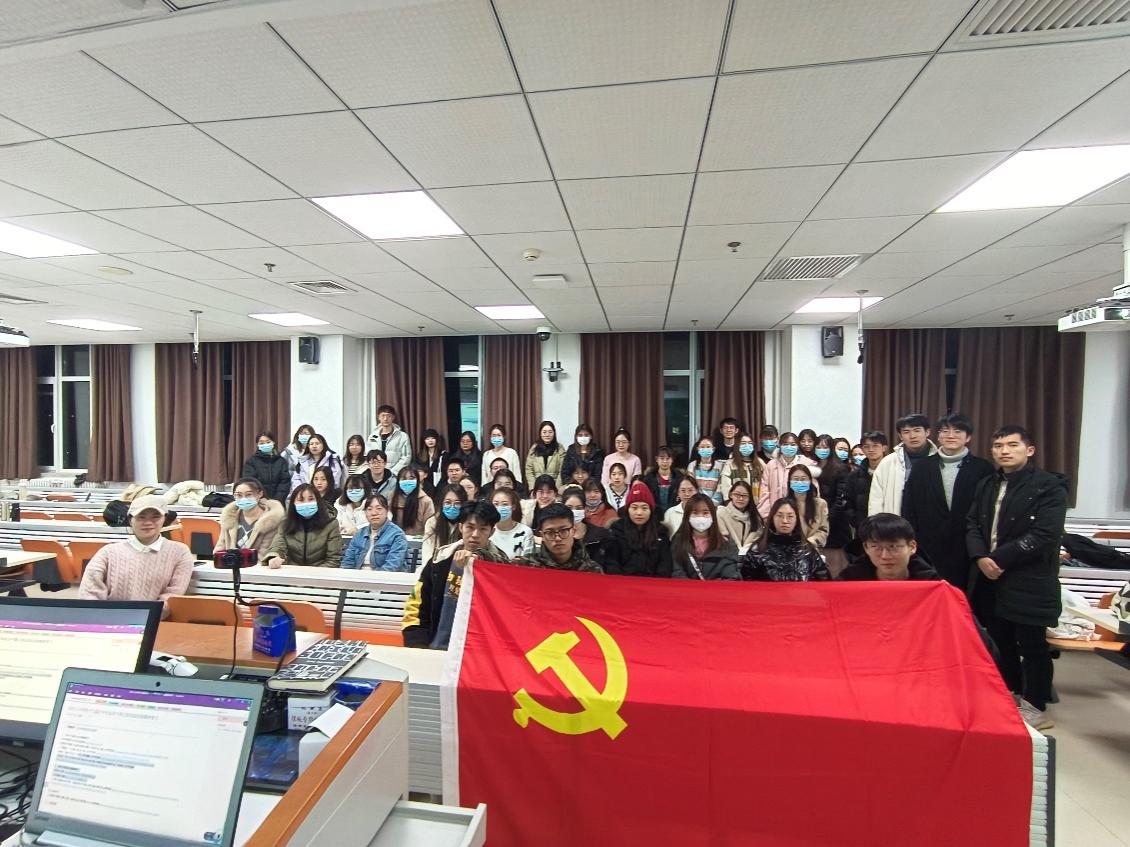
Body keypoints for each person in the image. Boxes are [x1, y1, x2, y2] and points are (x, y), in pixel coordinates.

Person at [967, 425, 1067, 730]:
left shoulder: (1049, 487)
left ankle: (1036, 705)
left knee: (1033, 645)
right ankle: (1010, 695)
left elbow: (1044, 534)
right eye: (998, 446)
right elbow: (972, 523)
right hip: (990, 576)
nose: (1004, 451)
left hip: (1029, 578)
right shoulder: (988, 483)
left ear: (1029, 450)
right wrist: (979, 556)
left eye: (1012, 445)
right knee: (1001, 642)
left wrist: (998, 559)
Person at [902, 413, 994, 588]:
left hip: (969, 545)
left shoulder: (983, 468)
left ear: (968, 437)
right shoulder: (922, 467)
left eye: (958, 431)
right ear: (938, 436)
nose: (951, 436)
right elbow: (909, 506)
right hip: (929, 544)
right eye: (945, 431)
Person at [403, 501, 509, 649]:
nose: (475, 535)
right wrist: (417, 644)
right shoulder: (440, 559)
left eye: (483, 529)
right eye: (470, 527)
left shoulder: (502, 566)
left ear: (492, 532)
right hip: (436, 646)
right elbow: (415, 607)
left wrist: (480, 558)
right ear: (460, 527)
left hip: (482, 650)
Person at [78, 495, 193, 610]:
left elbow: (172, 595)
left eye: (156, 517)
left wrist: (145, 617)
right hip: (109, 618)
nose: (148, 522)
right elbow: (89, 592)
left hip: (155, 619)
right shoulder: (108, 552)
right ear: (130, 520)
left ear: (164, 519)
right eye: (141, 517)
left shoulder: (180, 552)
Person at [740, 499, 830, 582]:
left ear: (796, 520)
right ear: (772, 518)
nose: (785, 521)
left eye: (790, 516)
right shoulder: (757, 550)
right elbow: (747, 585)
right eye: (780, 516)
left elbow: (823, 582)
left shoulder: (808, 550)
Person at [868, 413, 937, 516]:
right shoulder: (888, 462)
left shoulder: (939, 460)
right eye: (906, 432)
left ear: (927, 432)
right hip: (897, 520)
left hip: (930, 519)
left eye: (917, 430)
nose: (912, 436)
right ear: (900, 436)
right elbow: (875, 500)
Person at [601, 482, 673, 578]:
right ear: (628, 510)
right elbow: (612, 562)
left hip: (653, 583)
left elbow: (665, 565)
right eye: (634, 508)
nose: (639, 513)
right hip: (622, 582)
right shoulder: (617, 530)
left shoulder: (661, 532)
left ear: (651, 510)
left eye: (644, 508)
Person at [841, 513, 940, 581]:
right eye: (876, 547)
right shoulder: (849, 581)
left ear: (912, 547)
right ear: (866, 547)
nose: (885, 556)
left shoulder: (932, 583)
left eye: (893, 547)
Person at [263, 484, 342, 568]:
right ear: (293, 503)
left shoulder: (331, 523)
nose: (306, 503)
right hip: (292, 571)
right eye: (300, 500)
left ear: (318, 501)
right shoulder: (285, 523)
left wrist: (313, 574)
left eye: (311, 499)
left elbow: (333, 559)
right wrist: (274, 557)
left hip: (321, 572)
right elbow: (277, 547)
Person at [513, 504, 603, 572]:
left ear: (573, 531)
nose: (558, 538)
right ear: (542, 535)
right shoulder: (526, 567)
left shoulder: (592, 570)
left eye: (563, 531)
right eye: (550, 533)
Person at [215, 478, 286, 562]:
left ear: (260, 494)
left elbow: (264, 554)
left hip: (257, 567)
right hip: (230, 566)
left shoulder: (271, 520)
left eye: (249, 495)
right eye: (239, 495)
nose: (243, 499)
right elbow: (220, 547)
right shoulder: (229, 517)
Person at [670, 494, 739, 580]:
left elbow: (730, 576)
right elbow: (677, 572)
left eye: (705, 513)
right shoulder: (678, 542)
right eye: (695, 513)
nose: (700, 517)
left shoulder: (726, 544)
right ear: (687, 516)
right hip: (686, 588)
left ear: (713, 516)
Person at [342, 494, 409, 571]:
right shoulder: (359, 534)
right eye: (369, 509)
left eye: (379, 508)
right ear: (365, 513)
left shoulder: (397, 534)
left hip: (385, 576)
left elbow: (392, 566)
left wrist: (373, 577)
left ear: (387, 511)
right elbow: (348, 562)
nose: (374, 513)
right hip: (358, 576)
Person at [815, 433, 852, 573]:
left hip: (835, 522)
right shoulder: (812, 467)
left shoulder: (840, 468)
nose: (822, 450)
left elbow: (841, 499)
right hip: (816, 521)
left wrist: (827, 518)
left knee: (835, 565)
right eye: (818, 447)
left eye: (825, 447)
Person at [844, 431, 889, 532]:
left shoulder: (893, 472)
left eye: (875, 446)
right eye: (866, 446)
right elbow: (848, 502)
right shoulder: (854, 476)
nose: (871, 449)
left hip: (889, 526)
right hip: (863, 527)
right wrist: (856, 521)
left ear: (884, 448)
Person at [719, 431, 769, 516]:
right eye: (743, 443)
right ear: (737, 445)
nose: (747, 446)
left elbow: (766, 485)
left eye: (750, 443)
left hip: (757, 507)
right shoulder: (730, 464)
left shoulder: (760, 463)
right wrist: (730, 504)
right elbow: (725, 486)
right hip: (736, 507)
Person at [764, 431, 817, 503]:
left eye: (793, 444)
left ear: (798, 446)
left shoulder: (807, 464)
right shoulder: (771, 465)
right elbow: (764, 490)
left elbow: (814, 490)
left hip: (801, 507)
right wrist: (767, 510)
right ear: (779, 445)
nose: (789, 447)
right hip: (774, 507)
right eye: (785, 444)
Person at [421, 484, 468, 566]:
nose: (452, 507)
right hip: (434, 567)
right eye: (448, 502)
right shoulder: (432, 522)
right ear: (442, 504)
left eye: (457, 503)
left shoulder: (468, 523)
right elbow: (427, 553)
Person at [561, 486, 610, 563]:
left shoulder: (601, 535)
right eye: (569, 507)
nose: (574, 512)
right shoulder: (558, 536)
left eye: (579, 508)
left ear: (584, 509)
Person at [240, 430, 290, 502]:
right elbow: (249, 481)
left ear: (273, 442)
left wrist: (277, 500)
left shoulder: (281, 461)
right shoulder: (251, 461)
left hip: (278, 502)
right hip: (258, 500)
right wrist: (260, 497)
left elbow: (285, 482)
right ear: (257, 445)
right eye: (262, 443)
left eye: (268, 442)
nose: (265, 444)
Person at [787, 465, 829, 548]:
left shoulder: (820, 504)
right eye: (795, 479)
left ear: (810, 481)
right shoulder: (784, 505)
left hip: (812, 548)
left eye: (803, 479)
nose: (799, 482)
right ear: (790, 482)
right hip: (789, 548)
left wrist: (810, 542)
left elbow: (823, 530)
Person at [716, 480, 762, 551]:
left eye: (745, 496)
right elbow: (723, 538)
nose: (741, 498)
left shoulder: (755, 517)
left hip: (749, 554)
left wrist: (745, 550)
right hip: (728, 554)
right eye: (737, 494)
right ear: (731, 495)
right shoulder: (721, 513)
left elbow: (757, 538)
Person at [641, 446, 687, 514]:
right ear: (657, 459)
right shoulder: (649, 478)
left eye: (668, 458)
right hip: (654, 513)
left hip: (675, 512)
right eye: (662, 458)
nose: (665, 461)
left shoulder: (679, 477)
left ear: (672, 460)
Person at [368, 404, 412, 475]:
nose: (385, 419)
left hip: (395, 475)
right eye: (383, 416)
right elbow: (368, 455)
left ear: (393, 417)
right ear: (378, 417)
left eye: (389, 416)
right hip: (376, 474)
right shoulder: (372, 436)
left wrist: (392, 473)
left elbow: (406, 457)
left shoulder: (402, 436)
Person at [490, 487, 535, 558]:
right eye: (496, 504)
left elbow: (528, 560)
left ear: (513, 507)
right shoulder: (487, 530)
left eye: (505, 504)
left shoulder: (526, 532)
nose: (499, 508)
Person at [390, 466, 435, 535]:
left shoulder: (426, 501)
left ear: (417, 480)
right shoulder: (392, 497)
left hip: (418, 538)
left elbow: (430, 526)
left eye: (411, 478)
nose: (407, 481)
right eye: (404, 479)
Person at [525, 420, 566, 488]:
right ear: (540, 433)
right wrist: (533, 488)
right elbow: (529, 469)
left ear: (554, 433)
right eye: (544, 432)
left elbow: (562, 470)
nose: (547, 435)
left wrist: (556, 488)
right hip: (537, 486)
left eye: (550, 432)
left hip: (554, 486)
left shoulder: (560, 449)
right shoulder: (534, 448)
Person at [686, 436, 725, 504]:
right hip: (696, 503)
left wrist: (713, 503)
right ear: (698, 449)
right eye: (702, 447)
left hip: (715, 504)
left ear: (713, 449)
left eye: (708, 447)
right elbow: (691, 487)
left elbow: (720, 487)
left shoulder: (720, 466)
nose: (705, 449)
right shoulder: (692, 466)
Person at [416, 429, 448, 494]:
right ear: (424, 441)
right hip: (425, 485)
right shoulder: (420, 455)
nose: (430, 441)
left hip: (441, 485)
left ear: (437, 440)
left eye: (433, 438)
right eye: (427, 439)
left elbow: (445, 472)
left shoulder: (444, 454)